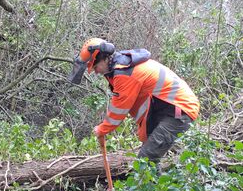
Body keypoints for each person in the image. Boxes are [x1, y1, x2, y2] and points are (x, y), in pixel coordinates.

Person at [68, 38, 200, 163]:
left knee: (146, 159)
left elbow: (119, 110)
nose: (95, 72)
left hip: (179, 109)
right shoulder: (120, 67)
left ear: (103, 58)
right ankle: (157, 186)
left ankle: (155, 186)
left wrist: (102, 129)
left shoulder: (124, 74)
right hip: (167, 108)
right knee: (148, 154)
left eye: (95, 67)